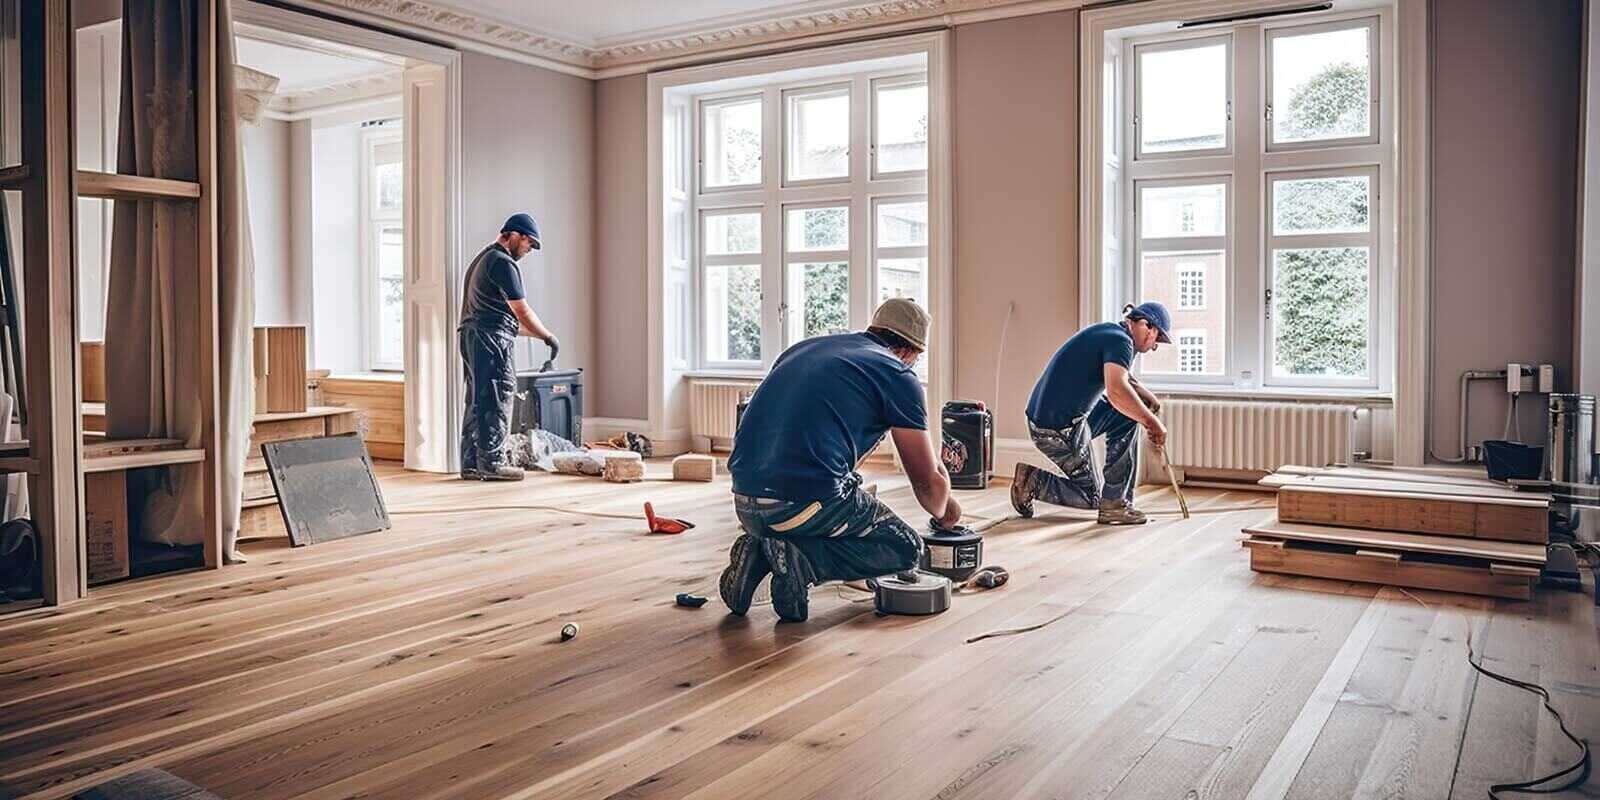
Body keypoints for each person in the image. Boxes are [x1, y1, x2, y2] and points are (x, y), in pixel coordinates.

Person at [720, 298, 960, 622]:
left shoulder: (806, 349)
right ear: (910, 351)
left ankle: (760, 552)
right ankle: (803, 562)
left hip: (745, 501)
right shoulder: (897, 374)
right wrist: (948, 512)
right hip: (801, 505)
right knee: (905, 549)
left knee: (826, 503)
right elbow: (928, 489)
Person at [1011, 302, 1171, 525]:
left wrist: (1147, 397)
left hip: (1052, 419)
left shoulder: (1112, 333)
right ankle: (1034, 482)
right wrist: (1152, 422)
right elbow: (1116, 390)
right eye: (1157, 339)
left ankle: (1117, 501)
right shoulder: (1122, 342)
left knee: (1127, 415)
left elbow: (1122, 378)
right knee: (1091, 497)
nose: (1155, 347)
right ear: (1146, 325)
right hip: (1057, 429)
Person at [457, 213, 560, 481]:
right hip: (492, 341)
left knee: (477, 399)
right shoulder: (504, 263)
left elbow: (509, 321)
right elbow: (521, 312)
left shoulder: (482, 260)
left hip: (472, 335)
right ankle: (493, 463)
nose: (528, 250)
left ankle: (471, 463)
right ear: (514, 235)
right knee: (496, 397)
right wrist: (549, 335)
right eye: (529, 243)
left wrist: (540, 338)